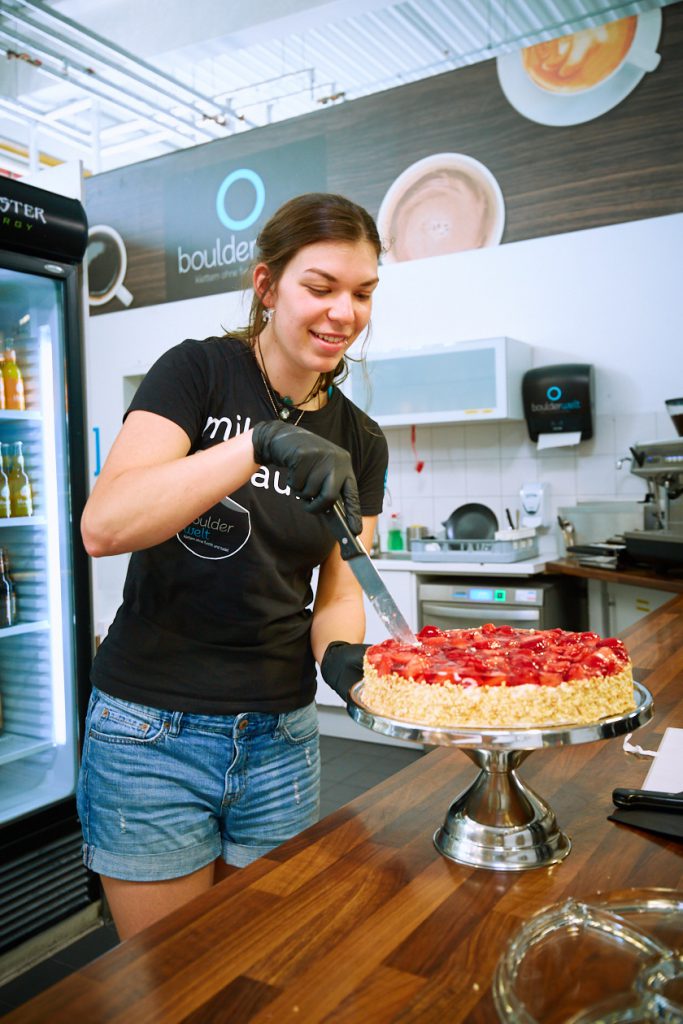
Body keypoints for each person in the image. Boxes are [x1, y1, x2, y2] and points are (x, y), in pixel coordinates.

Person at [77, 192, 389, 939]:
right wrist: (258, 444)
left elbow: (341, 590)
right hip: (150, 730)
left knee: (257, 970)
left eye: (363, 293)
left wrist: (343, 656)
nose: (343, 312)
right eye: (320, 287)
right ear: (265, 285)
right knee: (171, 978)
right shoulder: (196, 374)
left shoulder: (361, 440)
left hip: (280, 739)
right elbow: (105, 525)